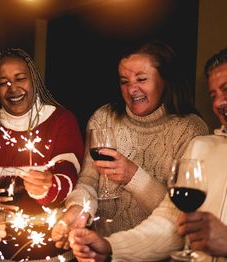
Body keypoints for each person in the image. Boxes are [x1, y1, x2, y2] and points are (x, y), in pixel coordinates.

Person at [69, 42, 227, 261]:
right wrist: (111, 247)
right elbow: (170, 223)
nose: (218, 102)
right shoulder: (204, 146)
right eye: (213, 94)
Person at [52, 41, 208, 247]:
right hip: (102, 248)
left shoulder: (191, 129)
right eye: (124, 81)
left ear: (165, 80)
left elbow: (181, 212)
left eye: (141, 79)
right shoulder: (103, 118)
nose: (132, 89)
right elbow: (88, 180)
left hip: (157, 253)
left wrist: (133, 176)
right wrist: (77, 209)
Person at [0, 48, 84, 261]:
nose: (13, 88)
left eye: (20, 79)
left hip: (52, 251)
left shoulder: (60, 120)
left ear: (33, 80)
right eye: (2, 82)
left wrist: (50, 186)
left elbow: (70, 175)